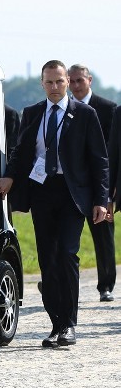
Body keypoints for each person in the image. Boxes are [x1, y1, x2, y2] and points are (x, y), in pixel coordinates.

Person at [0, 60, 108, 348]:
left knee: (67, 254)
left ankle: (70, 324)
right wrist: (8, 177)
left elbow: (99, 161)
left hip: (72, 194)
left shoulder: (85, 114)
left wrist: (101, 201)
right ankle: (56, 324)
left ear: (68, 81)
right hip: (42, 192)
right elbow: (21, 153)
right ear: (42, 84)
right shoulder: (31, 114)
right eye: (49, 82)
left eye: (59, 81)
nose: (54, 87)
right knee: (48, 259)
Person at [69, 64, 116, 302]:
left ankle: (106, 284)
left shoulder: (108, 109)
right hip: (71, 186)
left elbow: (112, 152)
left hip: (99, 185)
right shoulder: (63, 110)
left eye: (80, 81)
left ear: (89, 81)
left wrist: (110, 192)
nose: (76, 86)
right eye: (72, 81)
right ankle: (56, 282)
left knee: (103, 236)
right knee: (63, 237)